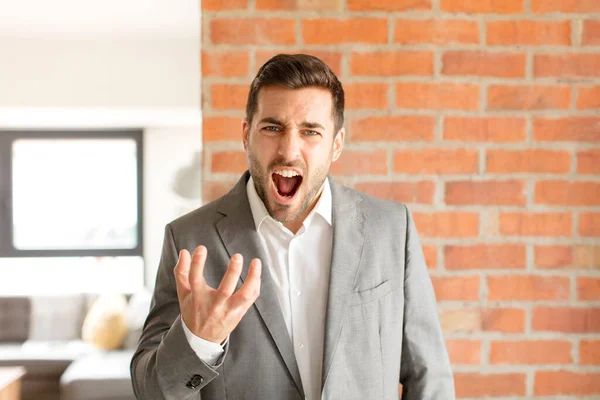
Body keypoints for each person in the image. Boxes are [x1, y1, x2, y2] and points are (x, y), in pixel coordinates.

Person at [131, 54, 454, 400]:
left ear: (337, 144)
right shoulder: (190, 239)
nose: (288, 150)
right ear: (246, 135)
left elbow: (429, 375)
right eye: (272, 128)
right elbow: (151, 390)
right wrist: (199, 341)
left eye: (310, 132)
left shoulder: (391, 228)